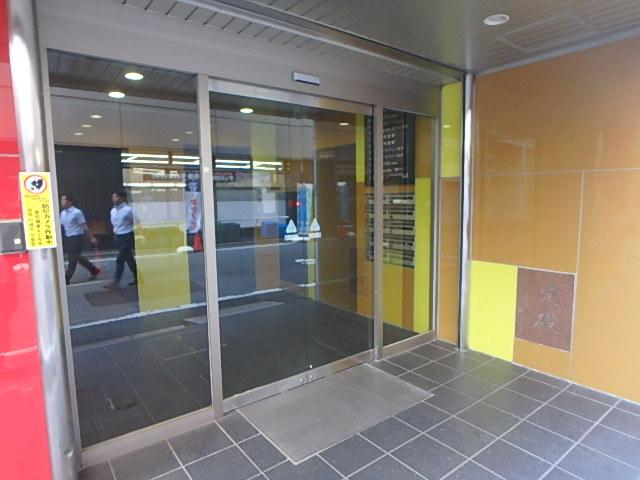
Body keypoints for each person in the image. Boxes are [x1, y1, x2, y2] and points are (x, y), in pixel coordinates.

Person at [59, 194, 100, 284]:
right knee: (77, 257)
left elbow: (84, 226)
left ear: (70, 202)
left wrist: (92, 237)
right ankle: (94, 270)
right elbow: (61, 225)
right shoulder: (63, 213)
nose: (62, 202)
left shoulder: (77, 212)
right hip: (68, 237)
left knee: (72, 259)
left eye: (64, 200)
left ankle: (66, 278)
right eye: (61, 200)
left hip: (77, 237)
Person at [104, 190, 138, 289]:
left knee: (120, 259)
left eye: (116, 197)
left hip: (128, 235)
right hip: (118, 236)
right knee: (129, 259)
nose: (114, 199)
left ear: (122, 198)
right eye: (113, 197)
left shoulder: (128, 210)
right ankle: (138, 278)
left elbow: (136, 222)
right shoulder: (113, 211)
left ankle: (116, 281)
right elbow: (114, 224)